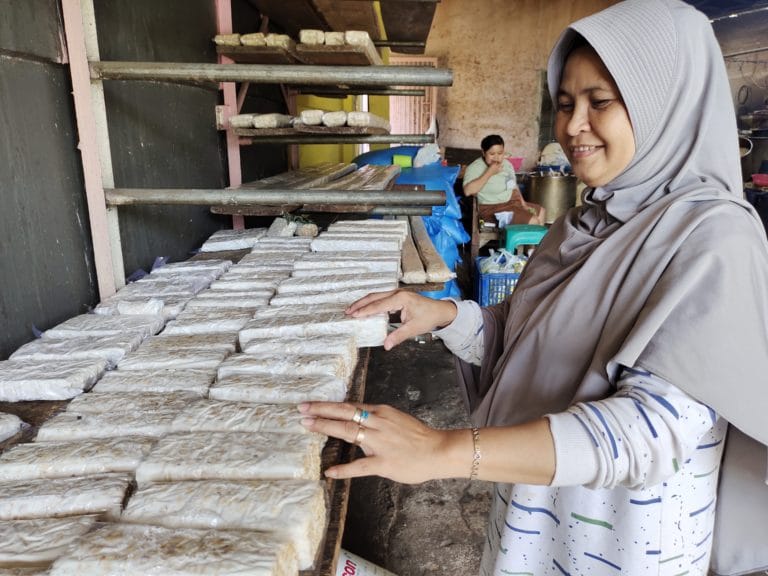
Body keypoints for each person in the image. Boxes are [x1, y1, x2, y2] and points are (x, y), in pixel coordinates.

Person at [299, 1, 768, 574]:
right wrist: (445, 316)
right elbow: (523, 339)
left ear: (667, 104)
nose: (572, 126)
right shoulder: (581, 225)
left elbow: (651, 431)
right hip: (532, 518)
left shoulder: (715, 238)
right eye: (565, 104)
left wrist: (443, 450)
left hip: (621, 543)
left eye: (600, 102)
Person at [463, 134, 545, 226]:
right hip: (492, 208)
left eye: (500, 153)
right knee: (533, 221)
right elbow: (467, 191)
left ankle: (534, 235)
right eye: (492, 154)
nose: (496, 158)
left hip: (512, 202)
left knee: (541, 212)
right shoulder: (475, 167)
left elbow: (513, 185)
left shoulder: (507, 165)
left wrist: (523, 204)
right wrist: (489, 172)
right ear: (483, 152)